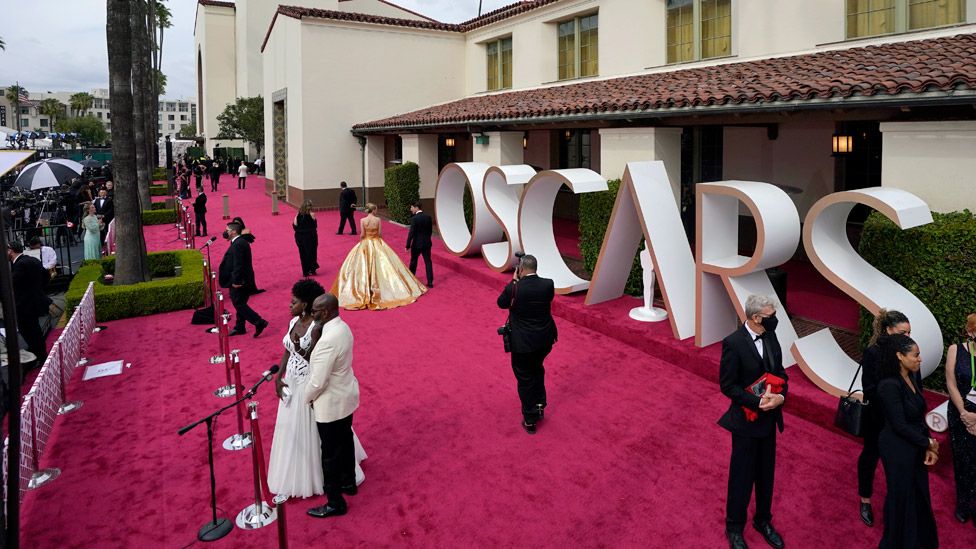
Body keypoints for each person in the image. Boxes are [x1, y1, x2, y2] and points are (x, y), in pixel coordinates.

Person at [269, 280, 366, 499]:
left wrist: (306, 396)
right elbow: (287, 351)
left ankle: (332, 492)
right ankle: (345, 481)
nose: (289, 305)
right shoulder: (294, 321)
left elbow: (318, 363)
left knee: (327, 443)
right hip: (293, 380)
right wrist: (279, 376)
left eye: (294, 302)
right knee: (336, 438)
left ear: (306, 304)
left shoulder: (321, 330)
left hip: (311, 385)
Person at [718, 294, 788, 549]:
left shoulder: (771, 336)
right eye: (771, 317)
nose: (775, 321)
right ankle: (734, 526)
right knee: (742, 476)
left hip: (769, 420)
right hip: (746, 423)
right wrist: (756, 402)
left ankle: (763, 520)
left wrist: (780, 397)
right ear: (756, 317)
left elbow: (780, 374)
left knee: (766, 475)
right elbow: (728, 386)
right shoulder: (733, 343)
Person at [876, 334, 939, 548]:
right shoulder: (888, 385)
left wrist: (927, 444)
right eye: (916, 355)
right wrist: (928, 443)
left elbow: (918, 415)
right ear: (900, 356)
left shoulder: (911, 377)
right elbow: (899, 425)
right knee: (901, 496)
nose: (920, 359)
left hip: (914, 444)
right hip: (896, 449)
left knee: (918, 494)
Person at [306, 293, 360, 519]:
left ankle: (334, 502)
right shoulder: (343, 327)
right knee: (345, 440)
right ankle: (349, 483)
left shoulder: (328, 339)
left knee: (329, 453)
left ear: (326, 312)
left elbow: (318, 381)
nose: (312, 315)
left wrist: (306, 398)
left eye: (316, 311)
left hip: (330, 403)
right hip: (346, 396)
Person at [857, 309, 912, 527]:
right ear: (888, 330)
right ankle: (865, 499)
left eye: (909, 332)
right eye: (902, 332)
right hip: (878, 418)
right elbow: (869, 388)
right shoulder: (873, 352)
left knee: (898, 461)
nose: (907, 337)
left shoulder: (909, 351)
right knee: (870, 457)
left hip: (901, 419)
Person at [496, 254, 557, 435]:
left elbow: (501, 303)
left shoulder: (515, 288)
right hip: (545, 340)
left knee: (525, 379)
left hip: (523, 344)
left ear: (520, 269)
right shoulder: (548, 284)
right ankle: (539, 405)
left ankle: (530, 419)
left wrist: (514, 282)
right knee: (537, 369)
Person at [330, 203, 426, 310]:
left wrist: (364, 241)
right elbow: (380, 233)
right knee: (385, 266)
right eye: (375, 209)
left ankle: (364, 289)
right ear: (374, 210)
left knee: (360, 268)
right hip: (377, 242)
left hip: (365, 243)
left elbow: (362, 234)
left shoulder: (363, 220)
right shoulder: (378, 220)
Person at [944, 313, 976, 526]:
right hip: (959, 412)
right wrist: (964, 413)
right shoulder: (955, 349)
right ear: (971, 332)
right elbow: (950, 382)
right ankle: (964, 504)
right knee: (963, 460)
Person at [218, 221, 269, 337]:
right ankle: (240, 327)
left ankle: (259, 321)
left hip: (240, 281)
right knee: (240, 302)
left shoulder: (239, 244)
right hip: (243, 279)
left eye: (227, 230)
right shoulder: (238, 242)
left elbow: (238, 264)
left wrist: (236, 281)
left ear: (234, 231)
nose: (225, 232)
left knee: (239, 303)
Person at [9, 241, 53, 362]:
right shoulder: (32, 259)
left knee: (29, 330)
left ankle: (40, 355)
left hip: (24, 305)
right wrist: (38, 291)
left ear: (10, 251)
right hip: (35, 301)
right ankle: (40, 353)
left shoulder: (19, 265)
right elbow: (46, 276)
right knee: (34, 329)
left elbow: (11, 285)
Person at [406, 201, 433, 288]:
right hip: (427, 243)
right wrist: (427, 240)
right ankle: (430, 282)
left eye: (412, 207)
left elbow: (411, 233)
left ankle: (411, 279)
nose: (411, 209)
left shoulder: (414, 219)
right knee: (428, 262)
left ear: (416, 207)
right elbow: (430, 232)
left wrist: (407, 245)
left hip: (417, 244)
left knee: (413, 261)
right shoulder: (428, 217)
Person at [294, 200, 319, 277]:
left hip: (299, 237)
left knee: (302, 254)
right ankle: (312, 269)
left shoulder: (297, 215)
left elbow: (294, 225)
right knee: (311, 253)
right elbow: (315, 226)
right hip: (310, 237)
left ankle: (305, 271)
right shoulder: (312, 214)